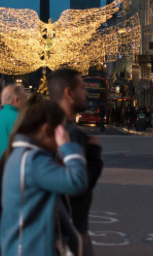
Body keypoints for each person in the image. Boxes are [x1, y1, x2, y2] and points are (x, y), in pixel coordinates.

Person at [0, 96, 87, 256]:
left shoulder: (22, 155)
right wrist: (68, 147)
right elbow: (77, 181)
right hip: (32, 248)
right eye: (62, 129)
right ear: (47, 130)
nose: (64, 133)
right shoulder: (32, 161)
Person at [49, 68, 103, 255]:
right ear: (69, 93)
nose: (86, 92)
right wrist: (95, 155)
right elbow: (82, 183)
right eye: (82, 87)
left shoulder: (41, 129)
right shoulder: (72, 135)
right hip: (72, 228)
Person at [0, 85, 26, 256]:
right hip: (22, 180)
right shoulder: (24, 120)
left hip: (0, 179)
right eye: (24, 100)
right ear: (16, 100)